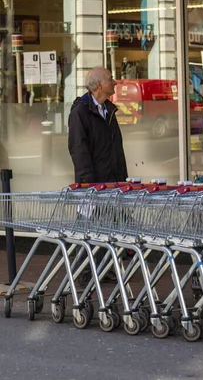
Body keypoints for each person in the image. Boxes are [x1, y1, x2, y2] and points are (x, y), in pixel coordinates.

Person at [68, 67, 128, 284]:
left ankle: (104, 267)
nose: (115, 82)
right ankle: (84, 271)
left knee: (109, 226)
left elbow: (115, 149)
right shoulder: (81, 112)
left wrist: (122, 178)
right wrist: (87, 184)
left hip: (112, 181)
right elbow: (79, 149)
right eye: (111, 79)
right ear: (99, 85)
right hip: (94, 183)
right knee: (89, 226)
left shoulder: (108, 110)